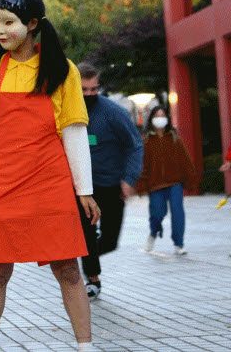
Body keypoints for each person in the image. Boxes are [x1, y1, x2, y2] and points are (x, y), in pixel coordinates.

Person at [0, 0, 100, 352]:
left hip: (49, 184)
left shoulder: (60, 70)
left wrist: (84, 190)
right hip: (1, 185)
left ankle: (86, 345)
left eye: (9, 23)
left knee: (68, 269)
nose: (0, 30)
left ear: (33, 24)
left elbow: (73, 131)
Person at [76, 62, 143, 299]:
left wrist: (129, 178)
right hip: (80, 187)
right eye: (84, 90)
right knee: (86, 233)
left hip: (111, 184)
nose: (89, 95)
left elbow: (134, 146)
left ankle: (85, 254)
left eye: (94, 89)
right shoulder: (65, 110)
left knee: (110, 240)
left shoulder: (114, 113)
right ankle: (93, 279)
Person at [136, 105, 197, 255]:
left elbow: (185, 160)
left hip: (174, 182)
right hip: (155, 185)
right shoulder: (146, 140)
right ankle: (153, 233)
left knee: (178, 212)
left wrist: (191, 180)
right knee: (157, 213)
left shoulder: (174, 137)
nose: (160, 119)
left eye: (163, 115)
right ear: (152, 119)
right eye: (157, 116)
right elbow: (142, 164)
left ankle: (179, 244)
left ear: (167, 118)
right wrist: (141, 185)